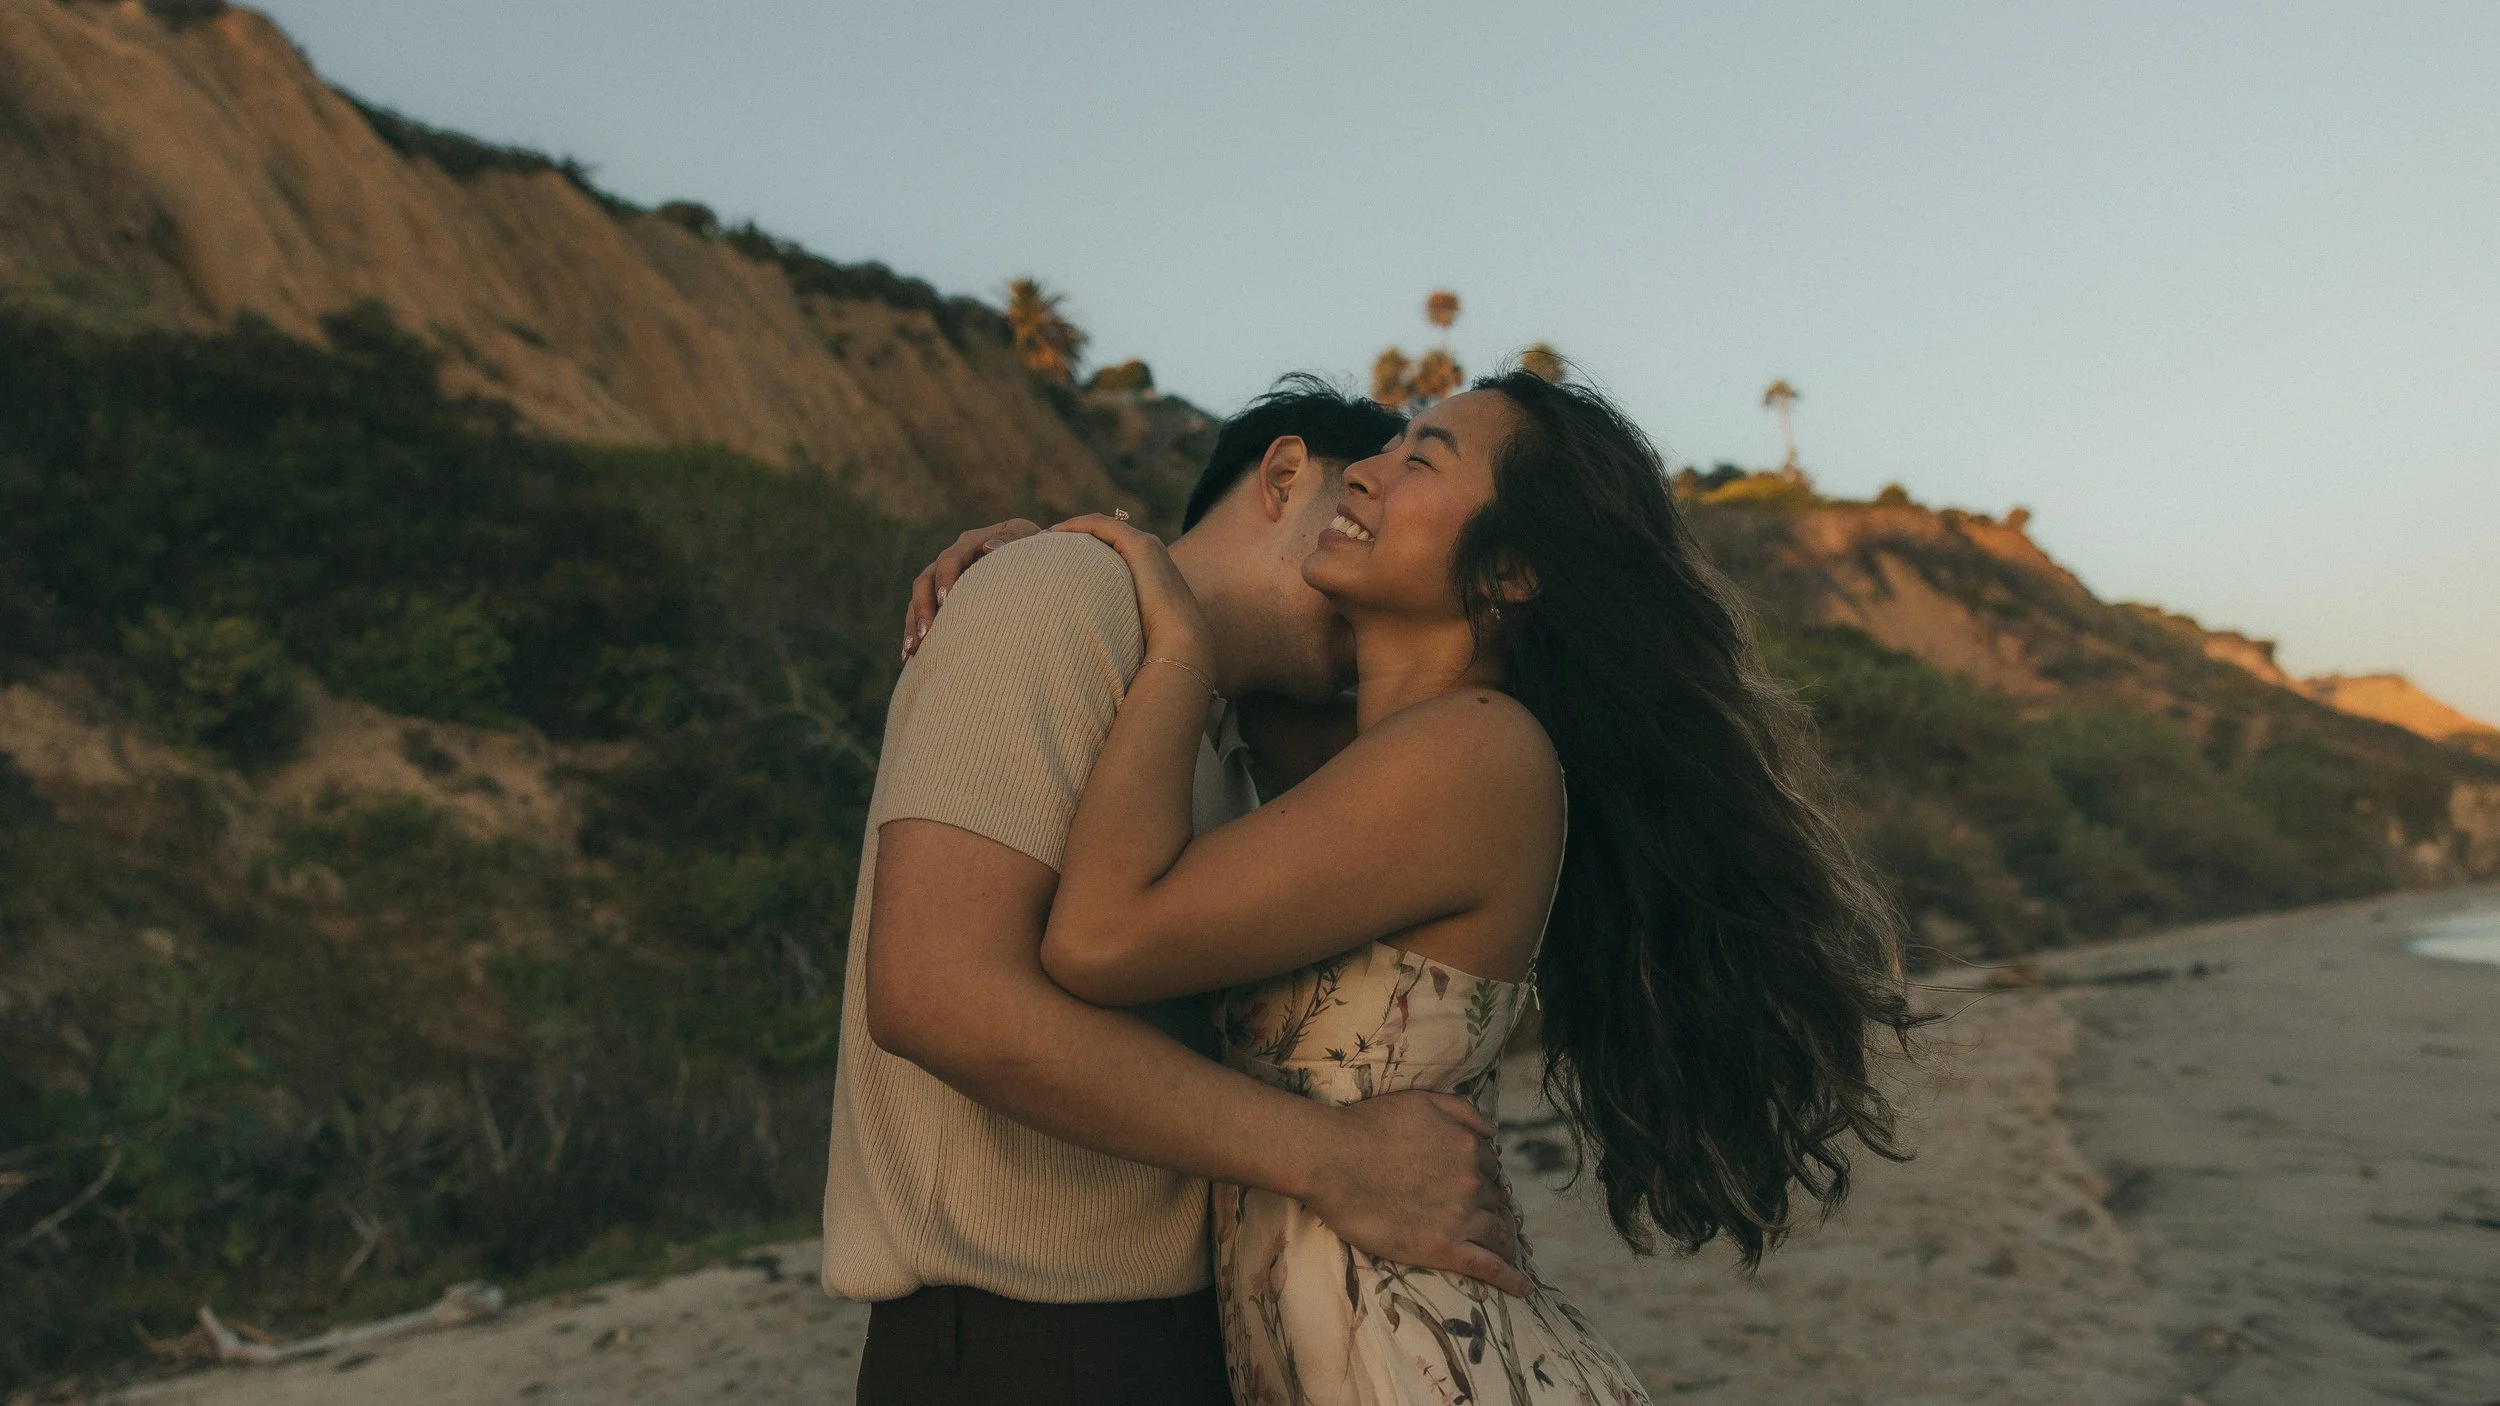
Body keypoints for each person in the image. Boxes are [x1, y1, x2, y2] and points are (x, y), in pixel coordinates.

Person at [1030, 368, 1924, 1404]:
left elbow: (1098, 937)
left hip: (1425, 1366)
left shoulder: (1474, 753)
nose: (1361, 471)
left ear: (1505, 570)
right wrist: (1041, 582)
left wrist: (1171, 633)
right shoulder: (1358, 751)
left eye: (1419, 458)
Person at [822, 377, 1535, 1406]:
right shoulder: (1064, 597)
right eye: (1357, 504)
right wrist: (1337, 1159)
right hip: (1034, 1343)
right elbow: (936, 991)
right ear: (1287, 477)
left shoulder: (1242, 734)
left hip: (1191, 1337)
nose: (1363, 549)